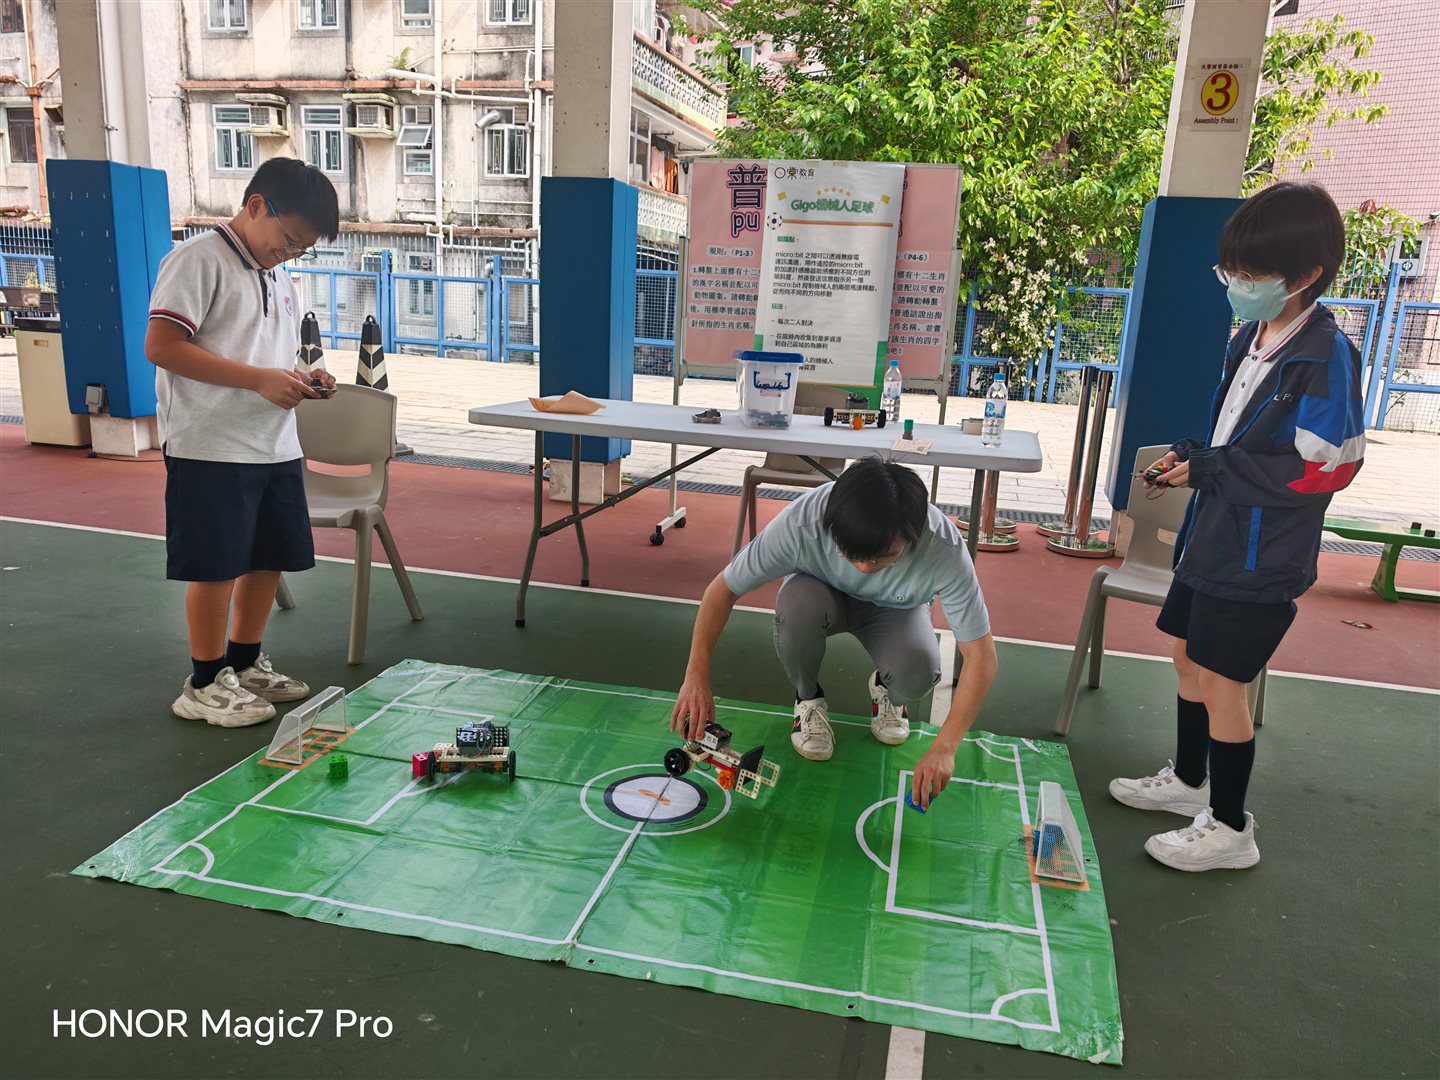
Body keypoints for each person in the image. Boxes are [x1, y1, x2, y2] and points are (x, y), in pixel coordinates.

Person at [1110, 182, 1364, 871]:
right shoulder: (1252, 337)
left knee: (1225, 682)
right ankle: (1189, 781)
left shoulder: (1326, 355)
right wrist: (1193, 457)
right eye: (1232, 271)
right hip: (1214, 535)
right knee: (1187, 657)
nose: (1237, 286)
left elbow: (1325, 472)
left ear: (1306, 275)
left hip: (1260, 554)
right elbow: (1238, 440)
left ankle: (1230, 828)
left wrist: (1213, 470)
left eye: (1251, 275)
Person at [670, 457, 998, 809]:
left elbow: (981, 657)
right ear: (831, 524)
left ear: (913, 534)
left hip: (896, 610)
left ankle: (887, 690)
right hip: (820, 597)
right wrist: (695, 677)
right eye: (851, 554)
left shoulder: (943, 547)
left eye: (884, 557)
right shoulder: (802, 522)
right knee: (796, 608)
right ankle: (808, 698)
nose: (865, 568)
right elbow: (721, 591)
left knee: (918, 672)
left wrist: (945, 748)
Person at [145, 157, 341, 727]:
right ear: (256, 206)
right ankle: (204, 681)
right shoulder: (198, 259)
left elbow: (262, 355)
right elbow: (162, 346)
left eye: (303, 249)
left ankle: (245, 661)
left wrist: (303, 378)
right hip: (209, 443)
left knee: (267, 559)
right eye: (290, 240)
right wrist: (258, 380)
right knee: (216, 566)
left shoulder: (277, 273)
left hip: (273, 442)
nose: (292, 254)